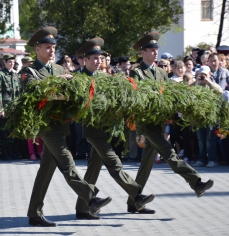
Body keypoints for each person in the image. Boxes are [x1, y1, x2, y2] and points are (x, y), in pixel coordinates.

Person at [22, 26, 112, 227]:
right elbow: (33, 95)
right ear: (37, 49)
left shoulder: (60, 69)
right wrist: (57, 83)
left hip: (60, 124)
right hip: (45, 125)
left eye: (54, 46)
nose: (52, 50)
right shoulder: (29, 71)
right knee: (67, 161)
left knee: (45, 171)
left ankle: (34, 213)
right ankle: (91, 198)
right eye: (47, 47)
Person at [128, 32, 214, 214]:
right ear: (143, 52)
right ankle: (196, 183)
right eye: (151, 50)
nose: (155, 53)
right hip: (147, 124)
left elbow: (166, 95)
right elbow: (140, 95)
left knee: (145, 166)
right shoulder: (137, 72)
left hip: (158, 122)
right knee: (170, 154)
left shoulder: (161, 72)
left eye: (156, 49)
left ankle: (133, 201)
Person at [75, 37, 155, 220]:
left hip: (106, 128)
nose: (98, 61)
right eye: (94, 58)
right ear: (84, 59)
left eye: (100, 58)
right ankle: (137, 195)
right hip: (92, 130)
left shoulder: (104, 77)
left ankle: (82, 209)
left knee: (93, 169)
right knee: (114, 162)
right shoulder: (79, 79)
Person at [191, 66, 223, 168]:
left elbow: (220, 91)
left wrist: (208, 82)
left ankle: (212, 160)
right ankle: (202, 159)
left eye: (205, 74)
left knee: (210, 139)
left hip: (211, 116)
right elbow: (188, 91)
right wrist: (196, 81)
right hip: (200, 117)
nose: (203, 77)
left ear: (210, 75)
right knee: (201, 139)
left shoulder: (212, 85)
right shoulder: (197, 85)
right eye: (202, 75)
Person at [0, 54, 21, 160]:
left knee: (13, 131)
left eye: (13, 62)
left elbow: (19, 92)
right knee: (4, 132)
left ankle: (12, 151)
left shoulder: (15, 75)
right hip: (6, 108)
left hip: (14, 108)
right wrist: (1, 109)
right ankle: (5, 153)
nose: (12, 64)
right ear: (5, 62)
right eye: (9, 62)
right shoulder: (1, 75)